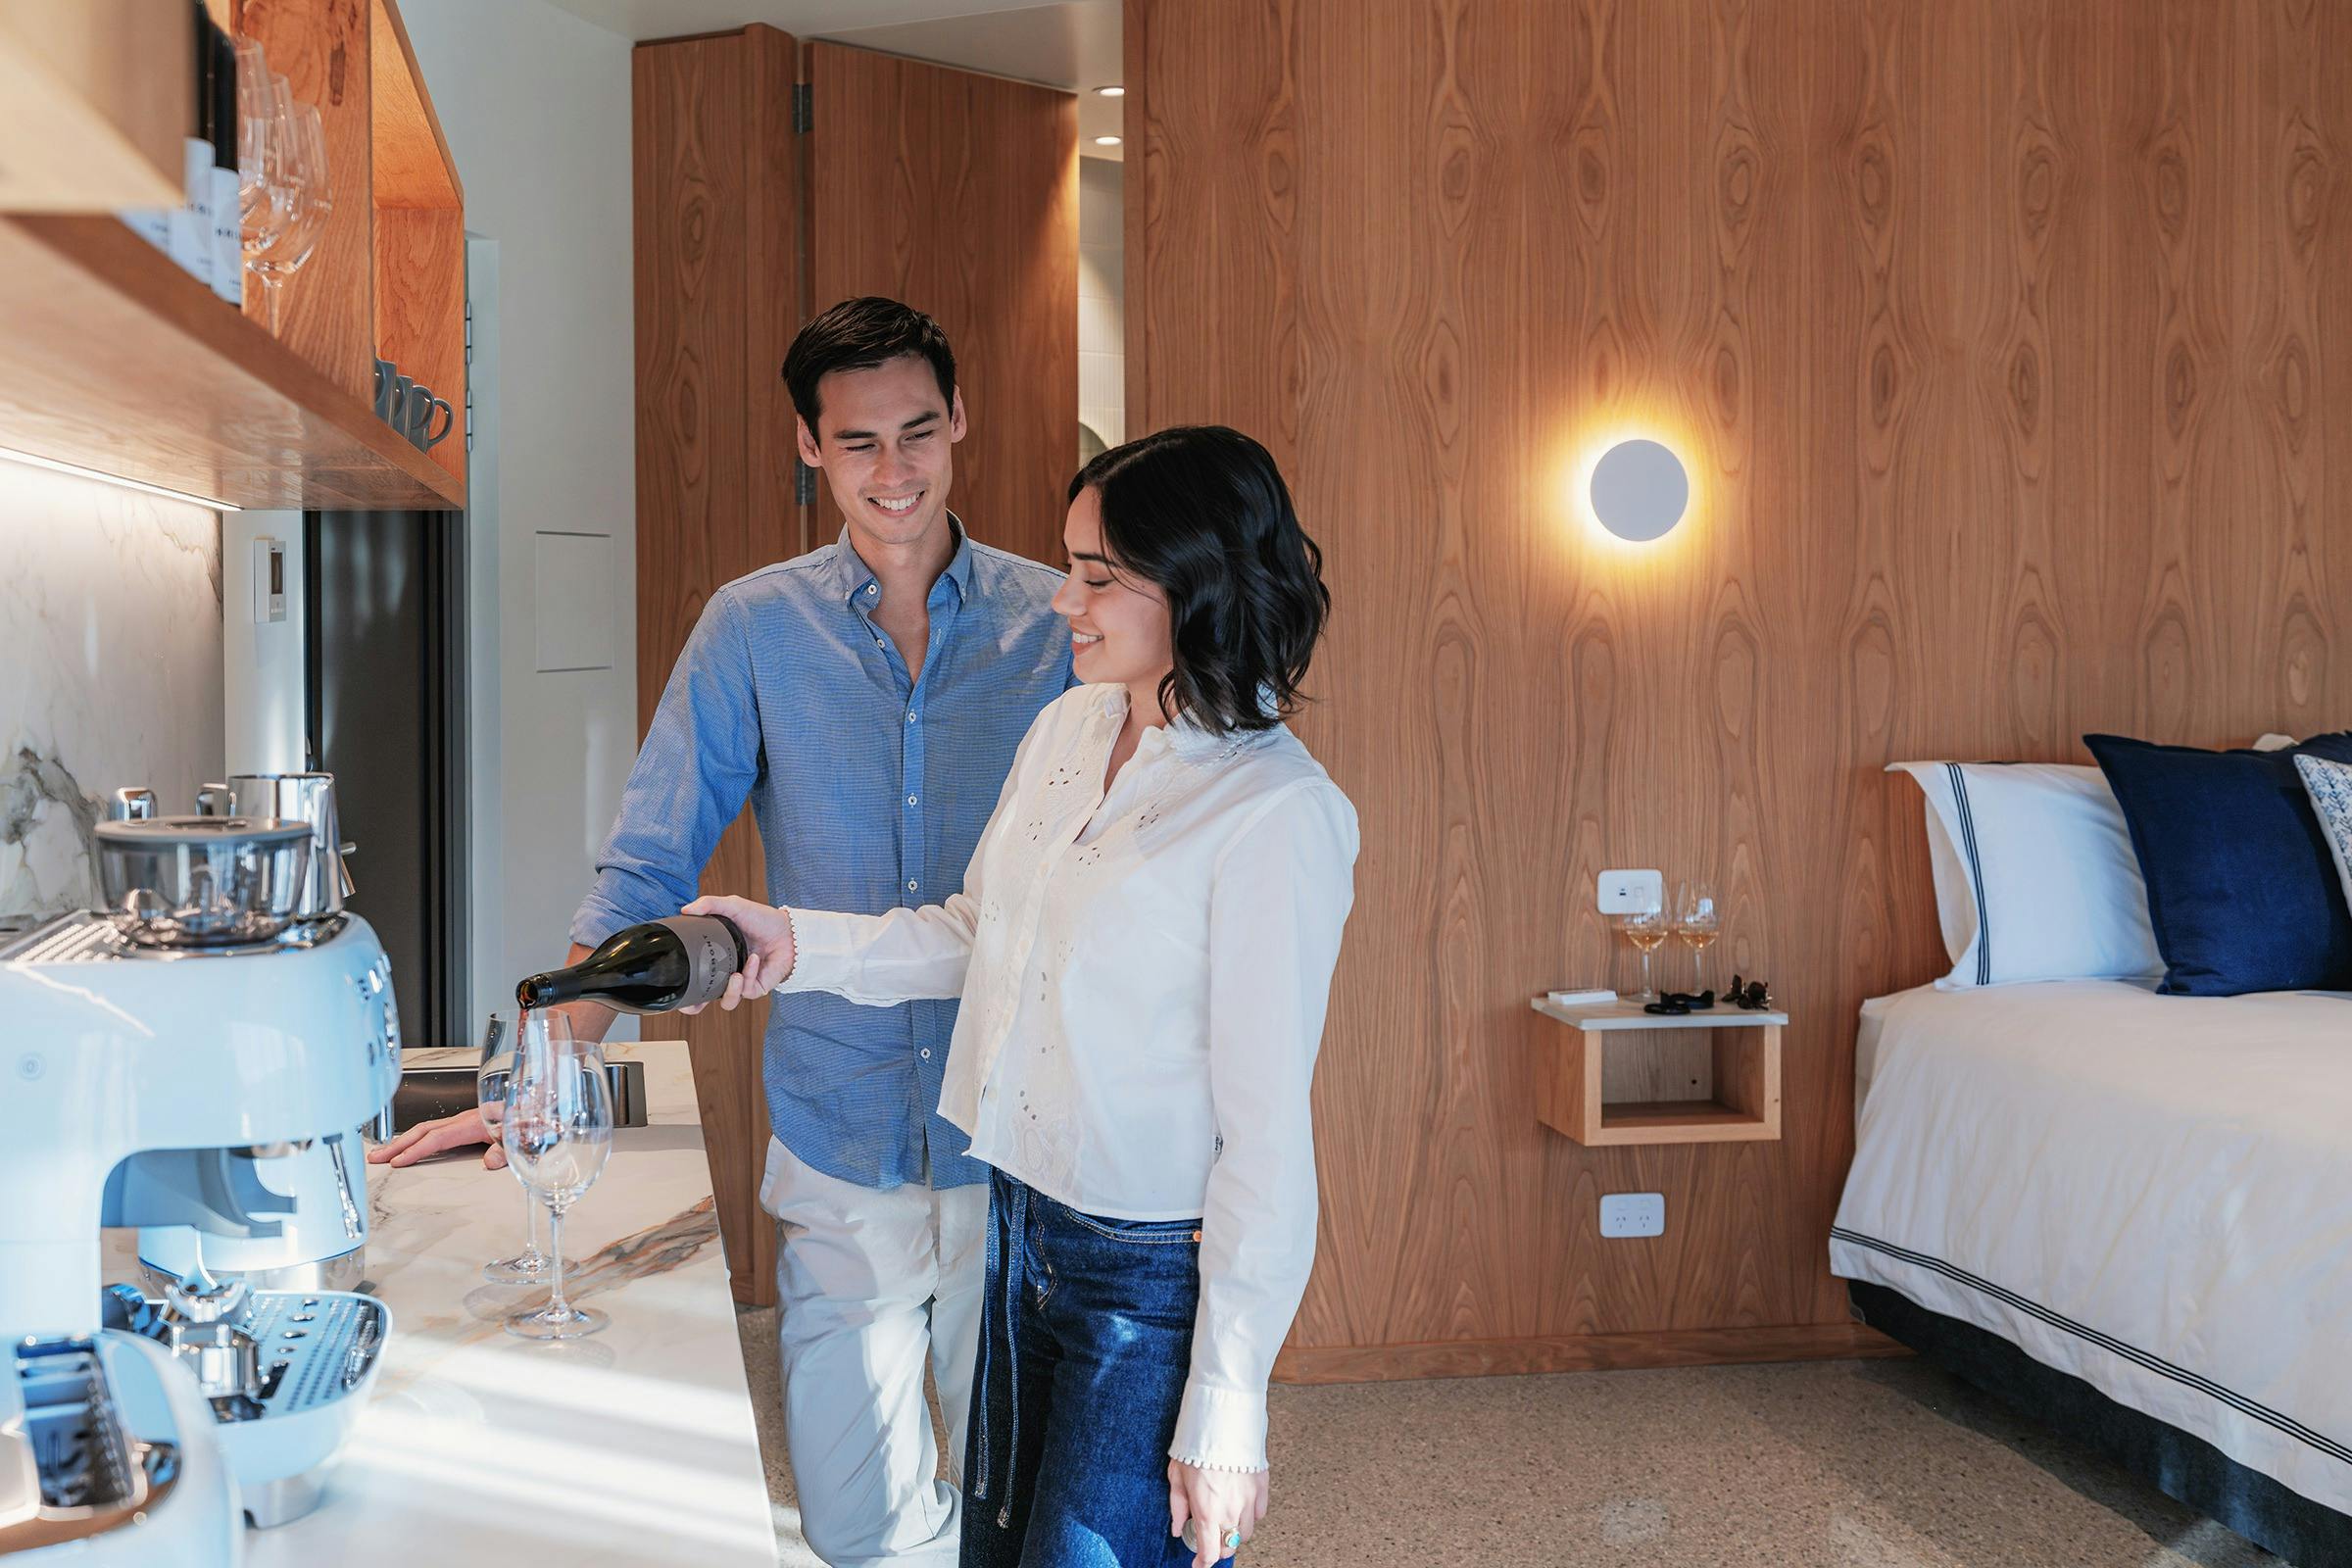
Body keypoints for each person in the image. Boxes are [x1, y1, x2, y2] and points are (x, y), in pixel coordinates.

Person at [372, 297, 1076, 1568]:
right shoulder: (752, 630)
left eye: (920, 433)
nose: (897, 472)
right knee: (861, 1536)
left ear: (960, 420)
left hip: (1020, 1144)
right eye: (859, 444)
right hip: (837, 1138)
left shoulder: (1057, 631)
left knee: (1017, 1528)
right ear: (809, 447)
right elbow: (647, 867)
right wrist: (547, 1069)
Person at [684, 425, 1359, 1568]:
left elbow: (1267, 1136)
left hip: (1147, 1279)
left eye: (1098, 576)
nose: (1064, 603)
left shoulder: (1275, 813)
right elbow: (976, 934)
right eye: (1068, 565)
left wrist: (1229, 1399)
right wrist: (796, 940)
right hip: (1019, 1226)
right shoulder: (1070, 726)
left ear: (1196, 586)